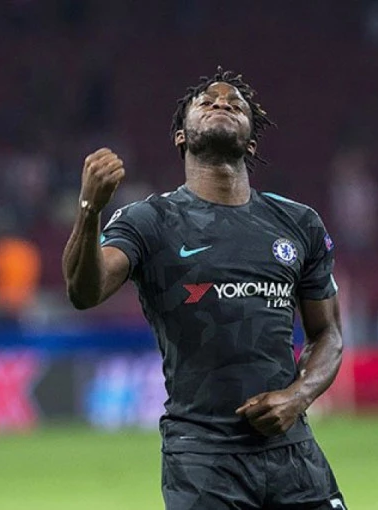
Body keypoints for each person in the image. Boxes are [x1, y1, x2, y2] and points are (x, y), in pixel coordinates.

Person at [63, 68, 347, 510]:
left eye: (235, 104)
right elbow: (85, 292)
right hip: (202, 461)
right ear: (181, 136)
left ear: (251, 143)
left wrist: (298, 396)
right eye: (207, 102)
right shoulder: (150, 221)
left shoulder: (299, 223)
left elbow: (327, 334)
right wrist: (88, 210)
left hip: (293, 455)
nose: (221, 104)